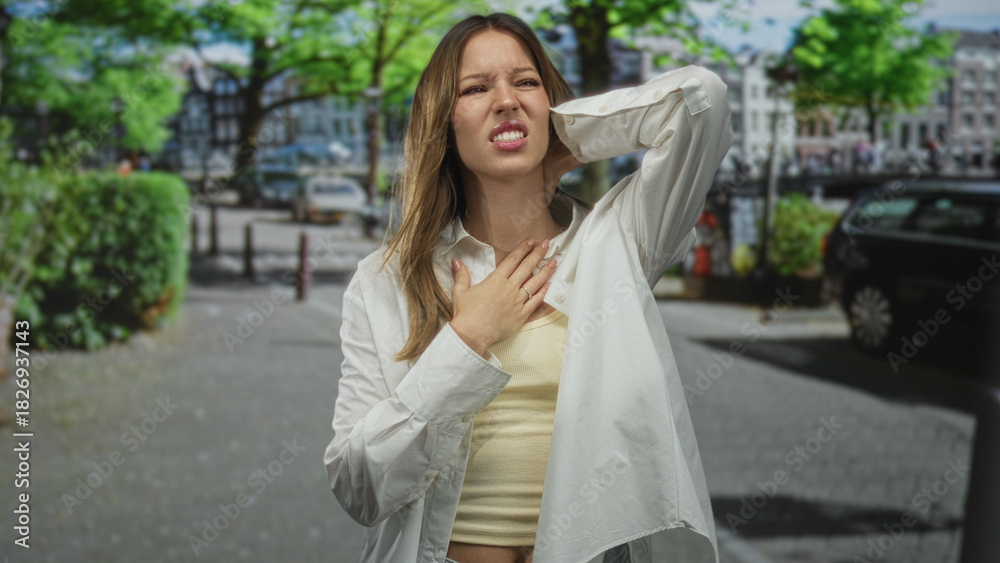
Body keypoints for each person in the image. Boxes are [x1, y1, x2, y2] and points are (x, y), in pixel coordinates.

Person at [323, 12, 733, 563]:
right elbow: (359, 487)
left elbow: (699, 100)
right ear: (444, 122)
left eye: (525, 82)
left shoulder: (618, 241)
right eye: (475, 88)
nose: (506, 100)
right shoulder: (386, 279)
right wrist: (467, 340)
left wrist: (568, 141)